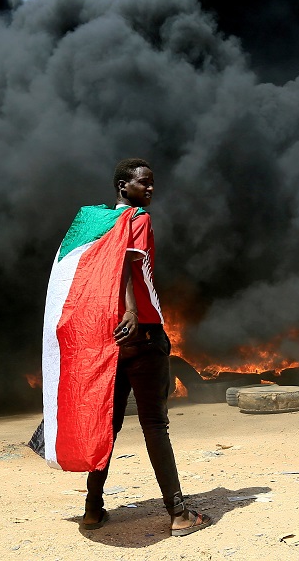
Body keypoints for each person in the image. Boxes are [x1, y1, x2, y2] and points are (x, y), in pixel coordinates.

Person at [38, 158, 212, 536]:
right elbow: (127, 264)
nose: (150, 189)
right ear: (123, 185)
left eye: (152, 183)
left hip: (107, 341)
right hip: (141, 335)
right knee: (154, 424)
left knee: (107, 424)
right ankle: (179, 513)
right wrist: (133, 311)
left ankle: (92, 509)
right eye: (143, 183)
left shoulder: (94, 224)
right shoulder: (137, 220)